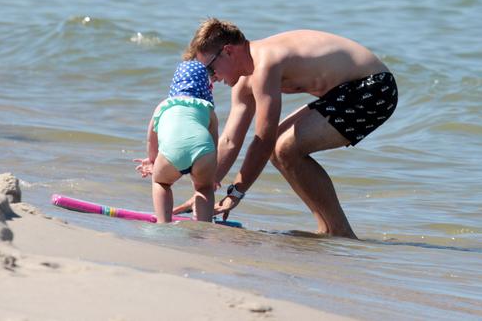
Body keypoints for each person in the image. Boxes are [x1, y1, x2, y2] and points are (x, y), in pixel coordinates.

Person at [181, 18, 398, 238]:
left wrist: (236, 193)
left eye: (209, 71)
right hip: (344, 91)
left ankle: (340, 231)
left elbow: (263, 140)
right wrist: (203, 190)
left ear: (228, 51)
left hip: (375, 88)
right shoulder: (243, 80)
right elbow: (229, 141)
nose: (211, 80)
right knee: (281, 149)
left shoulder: (265, 62)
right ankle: (328, 229)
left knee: (283, 148)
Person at [134, 60, 218, 223]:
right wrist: (212, 173)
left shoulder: (163, 106)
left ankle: (163, 222)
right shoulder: (207, 108)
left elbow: (152, 138)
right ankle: (203, 226)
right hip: (204, 152)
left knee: (161, 182)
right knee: (204, 188)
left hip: (171, 153)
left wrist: (152, 160)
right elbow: (213, 142)